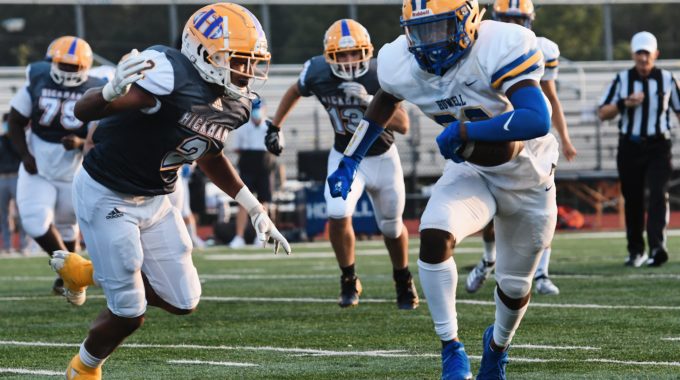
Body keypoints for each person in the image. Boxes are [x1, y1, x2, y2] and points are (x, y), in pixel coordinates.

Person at [47, 3, 290, 379]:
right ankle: (84, 369)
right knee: (129, 311)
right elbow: (83, 111)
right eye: (236, 60)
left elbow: (207, 151)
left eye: (250, 61)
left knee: (184, 300)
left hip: (156, 198)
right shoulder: (168, 73)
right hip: (107, 191)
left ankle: (86, 272)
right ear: (202, 53)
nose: (245, 72)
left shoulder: (236, 104)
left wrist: (255, 208)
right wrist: (109, 90)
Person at [327, 0, 557, 378]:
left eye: (439, 29)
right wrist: (352, 158)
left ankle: (497, 347)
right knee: (433, 235)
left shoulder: (500, 45)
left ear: (467, 21)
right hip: (472, 170)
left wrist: (466, 130)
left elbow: (536, 118)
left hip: (528, 176)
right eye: (420, 31)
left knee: (515, 287)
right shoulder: (400, 60)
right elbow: (386, 97)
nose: (429, 42)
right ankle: (451, 348)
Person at [266, 19, 418, 310]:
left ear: (368, 51)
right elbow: (294, 91)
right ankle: (349, 278)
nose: (349, 60)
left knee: (391, 225)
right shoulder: (318, 72)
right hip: (346, 156)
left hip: (384, 157)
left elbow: (404, 125)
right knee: (337, 211)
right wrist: (275, 126)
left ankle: (402, 278)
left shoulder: (379, 73)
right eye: (342, 55)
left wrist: (369, 100)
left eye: (355, 53)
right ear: (328, 57)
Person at [466, 0, 577, 296]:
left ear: (530, 19)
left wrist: (564, 138)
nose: (514, 25)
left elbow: (551, 99)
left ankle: (541, 273)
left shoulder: (542, 48)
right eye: (508, 18)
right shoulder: (484, 45)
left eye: (519, 18)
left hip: (533, 139)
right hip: (498, 133)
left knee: (542, 208)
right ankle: (488, 259)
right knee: (492, 212)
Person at [7, 36, 106, 291]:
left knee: (67, 226)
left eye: (74, 66)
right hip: (38, 165)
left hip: (73, 169)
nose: (68, 70)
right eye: (63, 64)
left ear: (86, 67)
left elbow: (104, 135)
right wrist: (25, 155)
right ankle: (73, 271)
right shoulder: (39, 77)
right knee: (33, 221)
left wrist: (81, 142)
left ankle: (69, 279)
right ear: (52, 62)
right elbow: (15, 121)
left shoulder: (97, 88)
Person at [599, 31, 680, 268]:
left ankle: (657, 247)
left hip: (659, 145)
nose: (643, 59)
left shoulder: (667, 79)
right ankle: (636, 250)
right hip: (630, 145)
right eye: (639, 53)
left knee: (658, 194)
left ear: (656, 54)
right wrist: (625, 103)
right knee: (633, 199)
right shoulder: (622, 79)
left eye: (647, 53)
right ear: (633, 54)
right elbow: (603, 113)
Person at [229, 97, 277, 248]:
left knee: (263, 202)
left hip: (264, 165)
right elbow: (236, 147)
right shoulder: (243, 126)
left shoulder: (271, 125)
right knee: (243, 202)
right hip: (247, 165)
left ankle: (261, 237)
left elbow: (277, 148)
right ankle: (239, 236)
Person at [0, 113, 26, 254]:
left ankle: (23, 245)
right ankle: (7, 246)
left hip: (17, 177)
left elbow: (21, 154)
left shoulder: (17, 139)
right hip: (2, 178)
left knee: (21, 212)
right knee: (3, 215)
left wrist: (12, 138)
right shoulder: (1, 140)